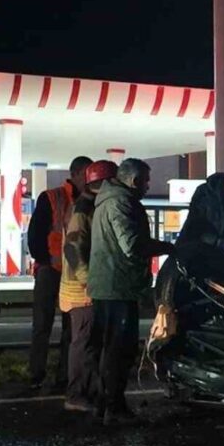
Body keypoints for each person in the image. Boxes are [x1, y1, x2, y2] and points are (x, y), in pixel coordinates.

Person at [88, 158, 173, 425]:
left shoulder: (109, 200)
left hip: (110, 286)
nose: (148, 186)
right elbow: (132, 245)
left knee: (111, 348)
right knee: (119, 350)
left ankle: (104, 404)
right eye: (146, 181)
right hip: (118, 287)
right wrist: (168, 247)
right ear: (135, 181)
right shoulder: (121, 202)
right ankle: (114, 407)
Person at [27, 155, 92, 389]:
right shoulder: (52, 197)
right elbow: (35, 235)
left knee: (71, 329)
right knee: (43, 325)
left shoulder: (89, 201)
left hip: (72, 274)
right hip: (51, 271)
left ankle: (64, 376)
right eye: (87, 174)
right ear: (75, 174)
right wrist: (44, 262)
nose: (90, 179)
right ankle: (37, 375)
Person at [59, 159, 117, 412]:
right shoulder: (84, 208)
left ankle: (90, 393)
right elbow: (73, 249)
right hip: (81, 291)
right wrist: (89, 282)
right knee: (82, 345)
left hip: (84, 289)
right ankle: (76, 394)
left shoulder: (90, 205)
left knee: (91, 344)